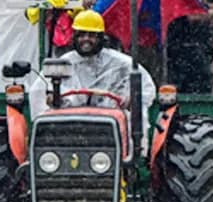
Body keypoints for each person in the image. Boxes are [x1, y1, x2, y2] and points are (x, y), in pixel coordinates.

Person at [29, 11, 157, 125]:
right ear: (74, 37)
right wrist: (51, 99)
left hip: (110, 123)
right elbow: (39, 93)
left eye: (91, 35)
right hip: (70, 125)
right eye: (81, 35)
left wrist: (132, 99)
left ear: (101, 37)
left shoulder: (121, 64)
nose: (86, 39)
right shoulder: (62, 64)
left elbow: (146, 89)